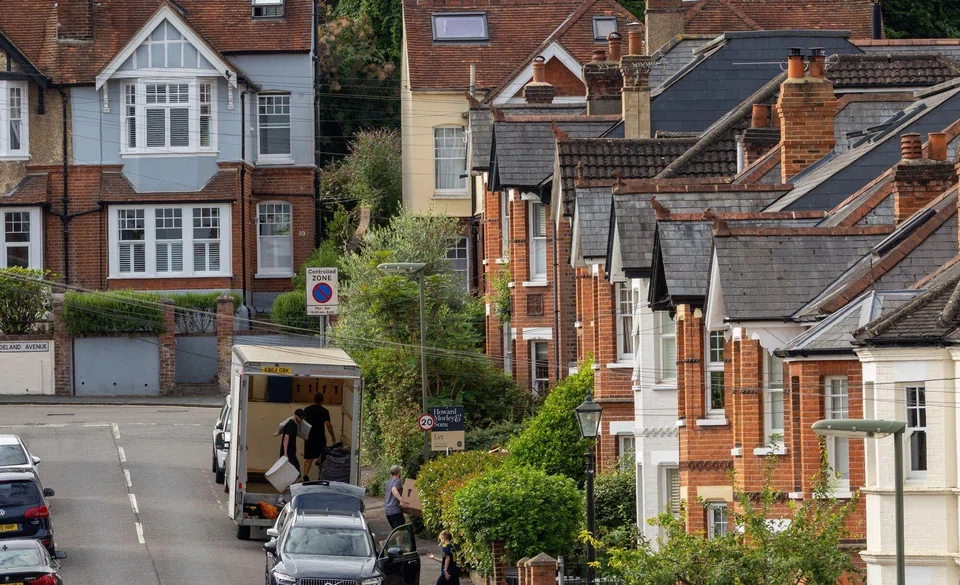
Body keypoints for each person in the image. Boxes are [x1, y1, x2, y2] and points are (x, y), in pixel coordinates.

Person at [301, 393, 337, 481]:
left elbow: (302, 423)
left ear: (314, 399)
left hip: (309, 437)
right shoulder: (324, 411)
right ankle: (321, 477)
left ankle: (305, 475)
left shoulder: (307, 409)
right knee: (322, 459)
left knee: (309, 458)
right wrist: (333, 436)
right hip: (320, 437)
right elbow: (328, 425)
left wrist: (304, 435)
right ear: (322, 400)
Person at [280, 409, 305, 477]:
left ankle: (290, 486)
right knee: (297, 473)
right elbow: (286, 438)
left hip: (291, 452)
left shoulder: (295, 425)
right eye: (300, 418)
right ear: (295, 415)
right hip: (288, 453)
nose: (301, 420)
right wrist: (285, 453)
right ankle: (293, 487)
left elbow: (295, 434)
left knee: (292, 473)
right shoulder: (291, 425)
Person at [384, 465, 405, 529]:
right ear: (398, 472)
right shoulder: (397, 481)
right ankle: (387, 539)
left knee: (396, 531)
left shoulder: (388, 482)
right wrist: (402, 500)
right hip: (395, 510)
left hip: (388, 511)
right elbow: (394, 489)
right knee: (400, 531)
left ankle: (390, 539)